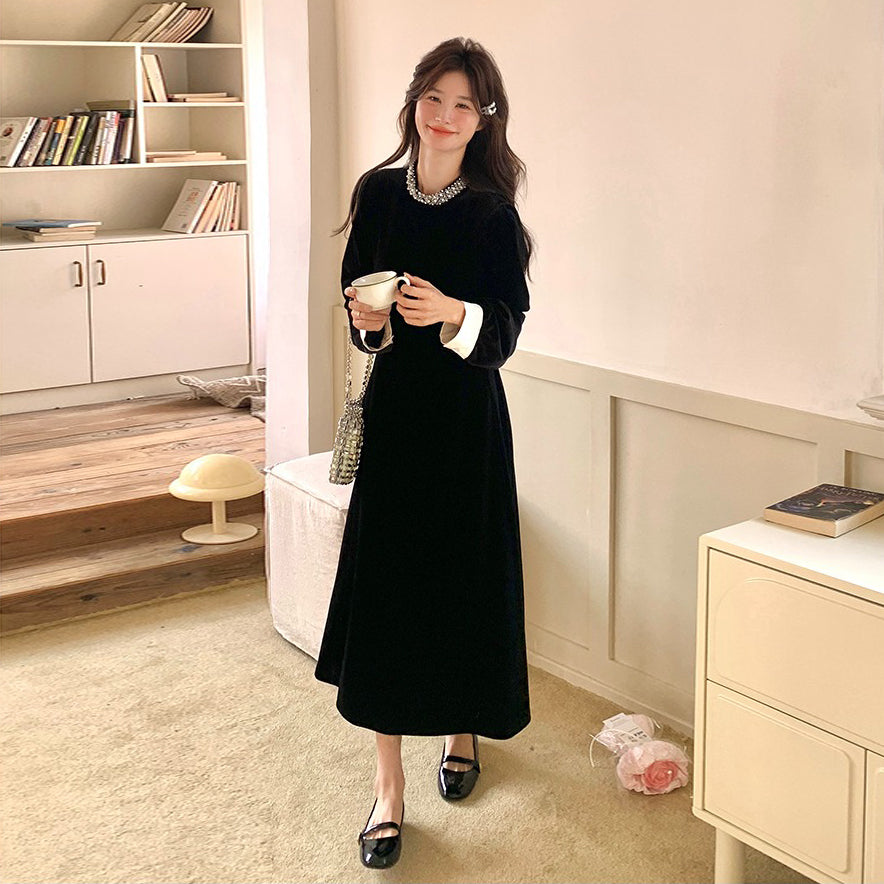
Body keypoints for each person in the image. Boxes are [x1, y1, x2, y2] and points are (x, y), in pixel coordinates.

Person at [314, 36, 534, 870]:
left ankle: (462, 727)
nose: (444, 116)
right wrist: (366, 321)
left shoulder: (491, 214)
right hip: (397, 418)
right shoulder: (377, 193)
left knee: (461, 583)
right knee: (388, 594)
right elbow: (357, 308)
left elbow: (503, 331)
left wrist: (450, 312)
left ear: (483, 120)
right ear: (414, 104)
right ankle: (388, 789)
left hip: (467, 425)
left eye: (463, 104)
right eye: (433, 99)